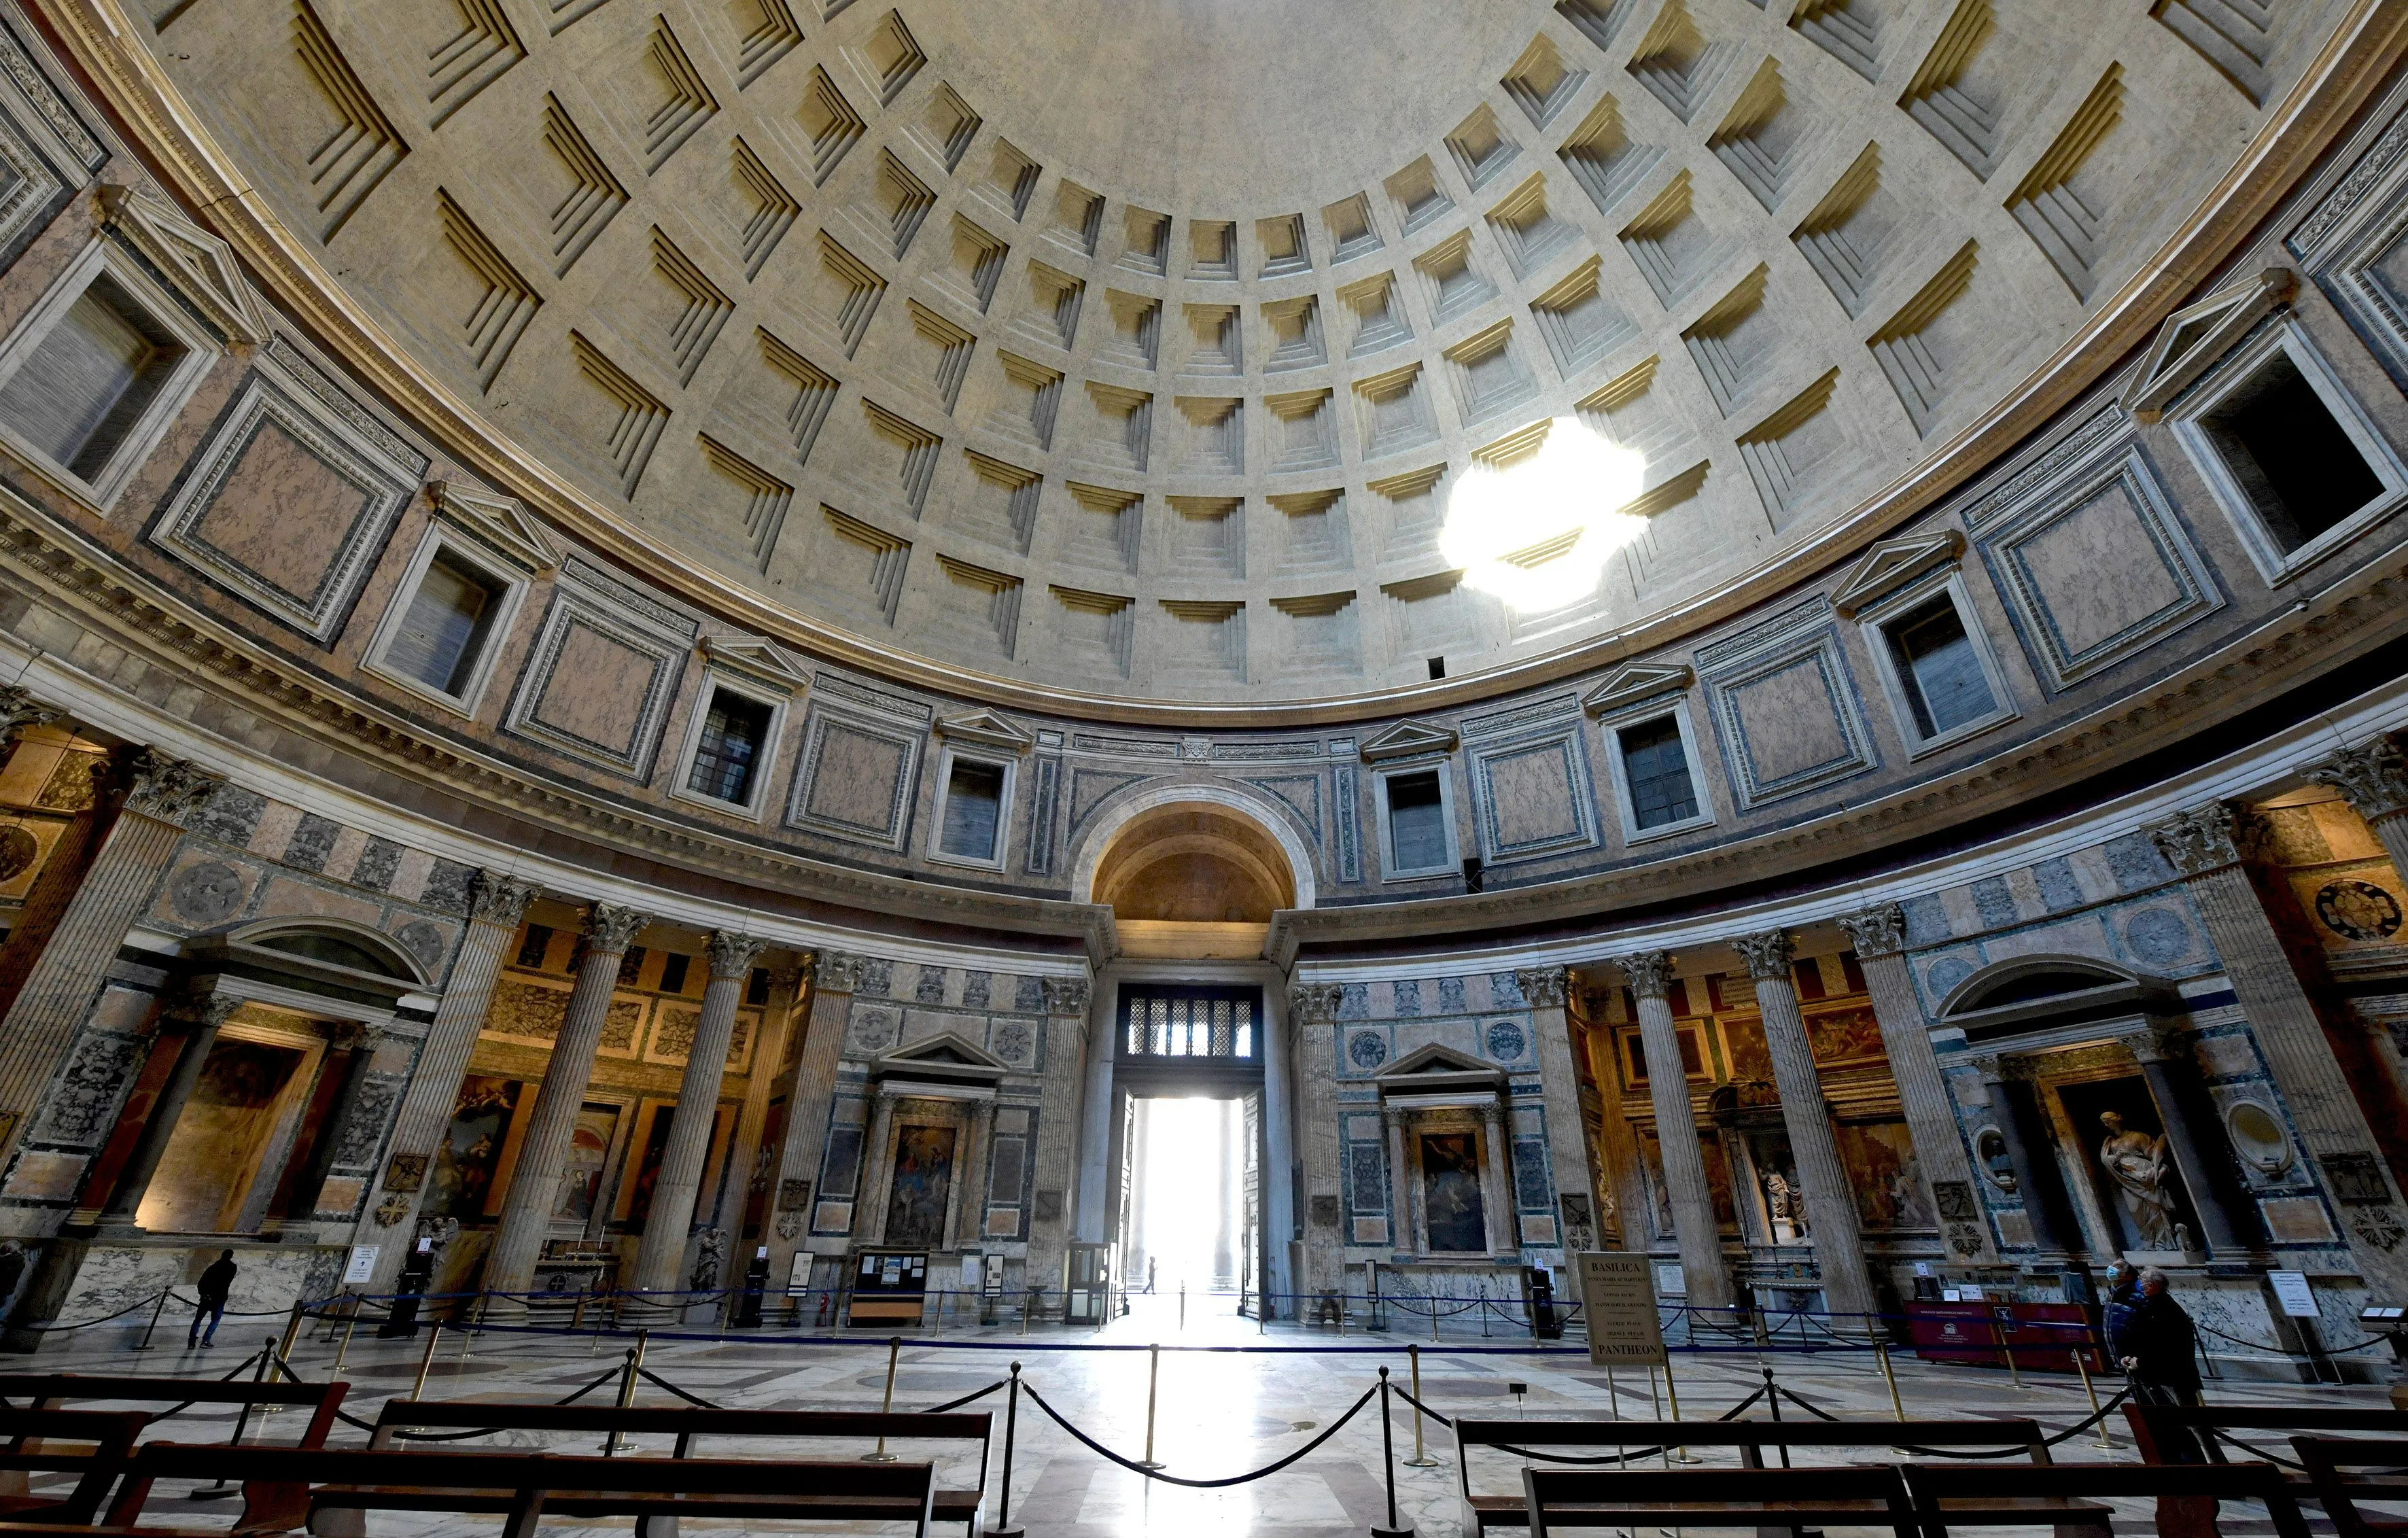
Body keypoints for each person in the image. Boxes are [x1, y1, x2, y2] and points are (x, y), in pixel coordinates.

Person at [190, 1249, 237, 1349]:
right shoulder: (232, 1268)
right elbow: (225, 1282)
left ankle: (191, 1342)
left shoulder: (213, 1268)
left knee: (198, 1320)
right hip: (219, 1298)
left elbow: (201, 1283)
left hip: (207, 1298)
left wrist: (204, 1294)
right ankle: (206, 1340)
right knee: (215, 1320)